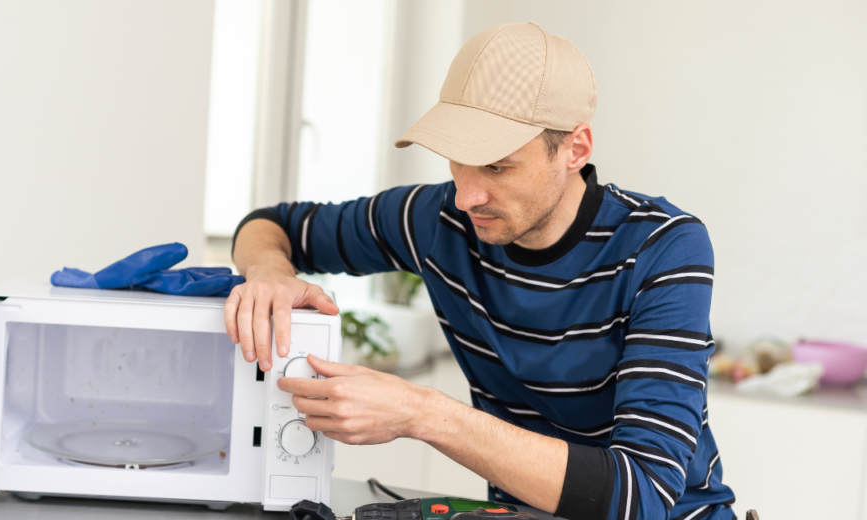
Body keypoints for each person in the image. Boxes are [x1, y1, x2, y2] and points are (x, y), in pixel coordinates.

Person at [225, 22, 735, 520]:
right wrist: (268, 272)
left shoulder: (662, 246)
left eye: (497, 166)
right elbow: (271, 225)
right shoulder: (436, 220)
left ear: (575, 149)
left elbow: (641, 497)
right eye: (456, 160)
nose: (468, 197)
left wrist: (422, 413)